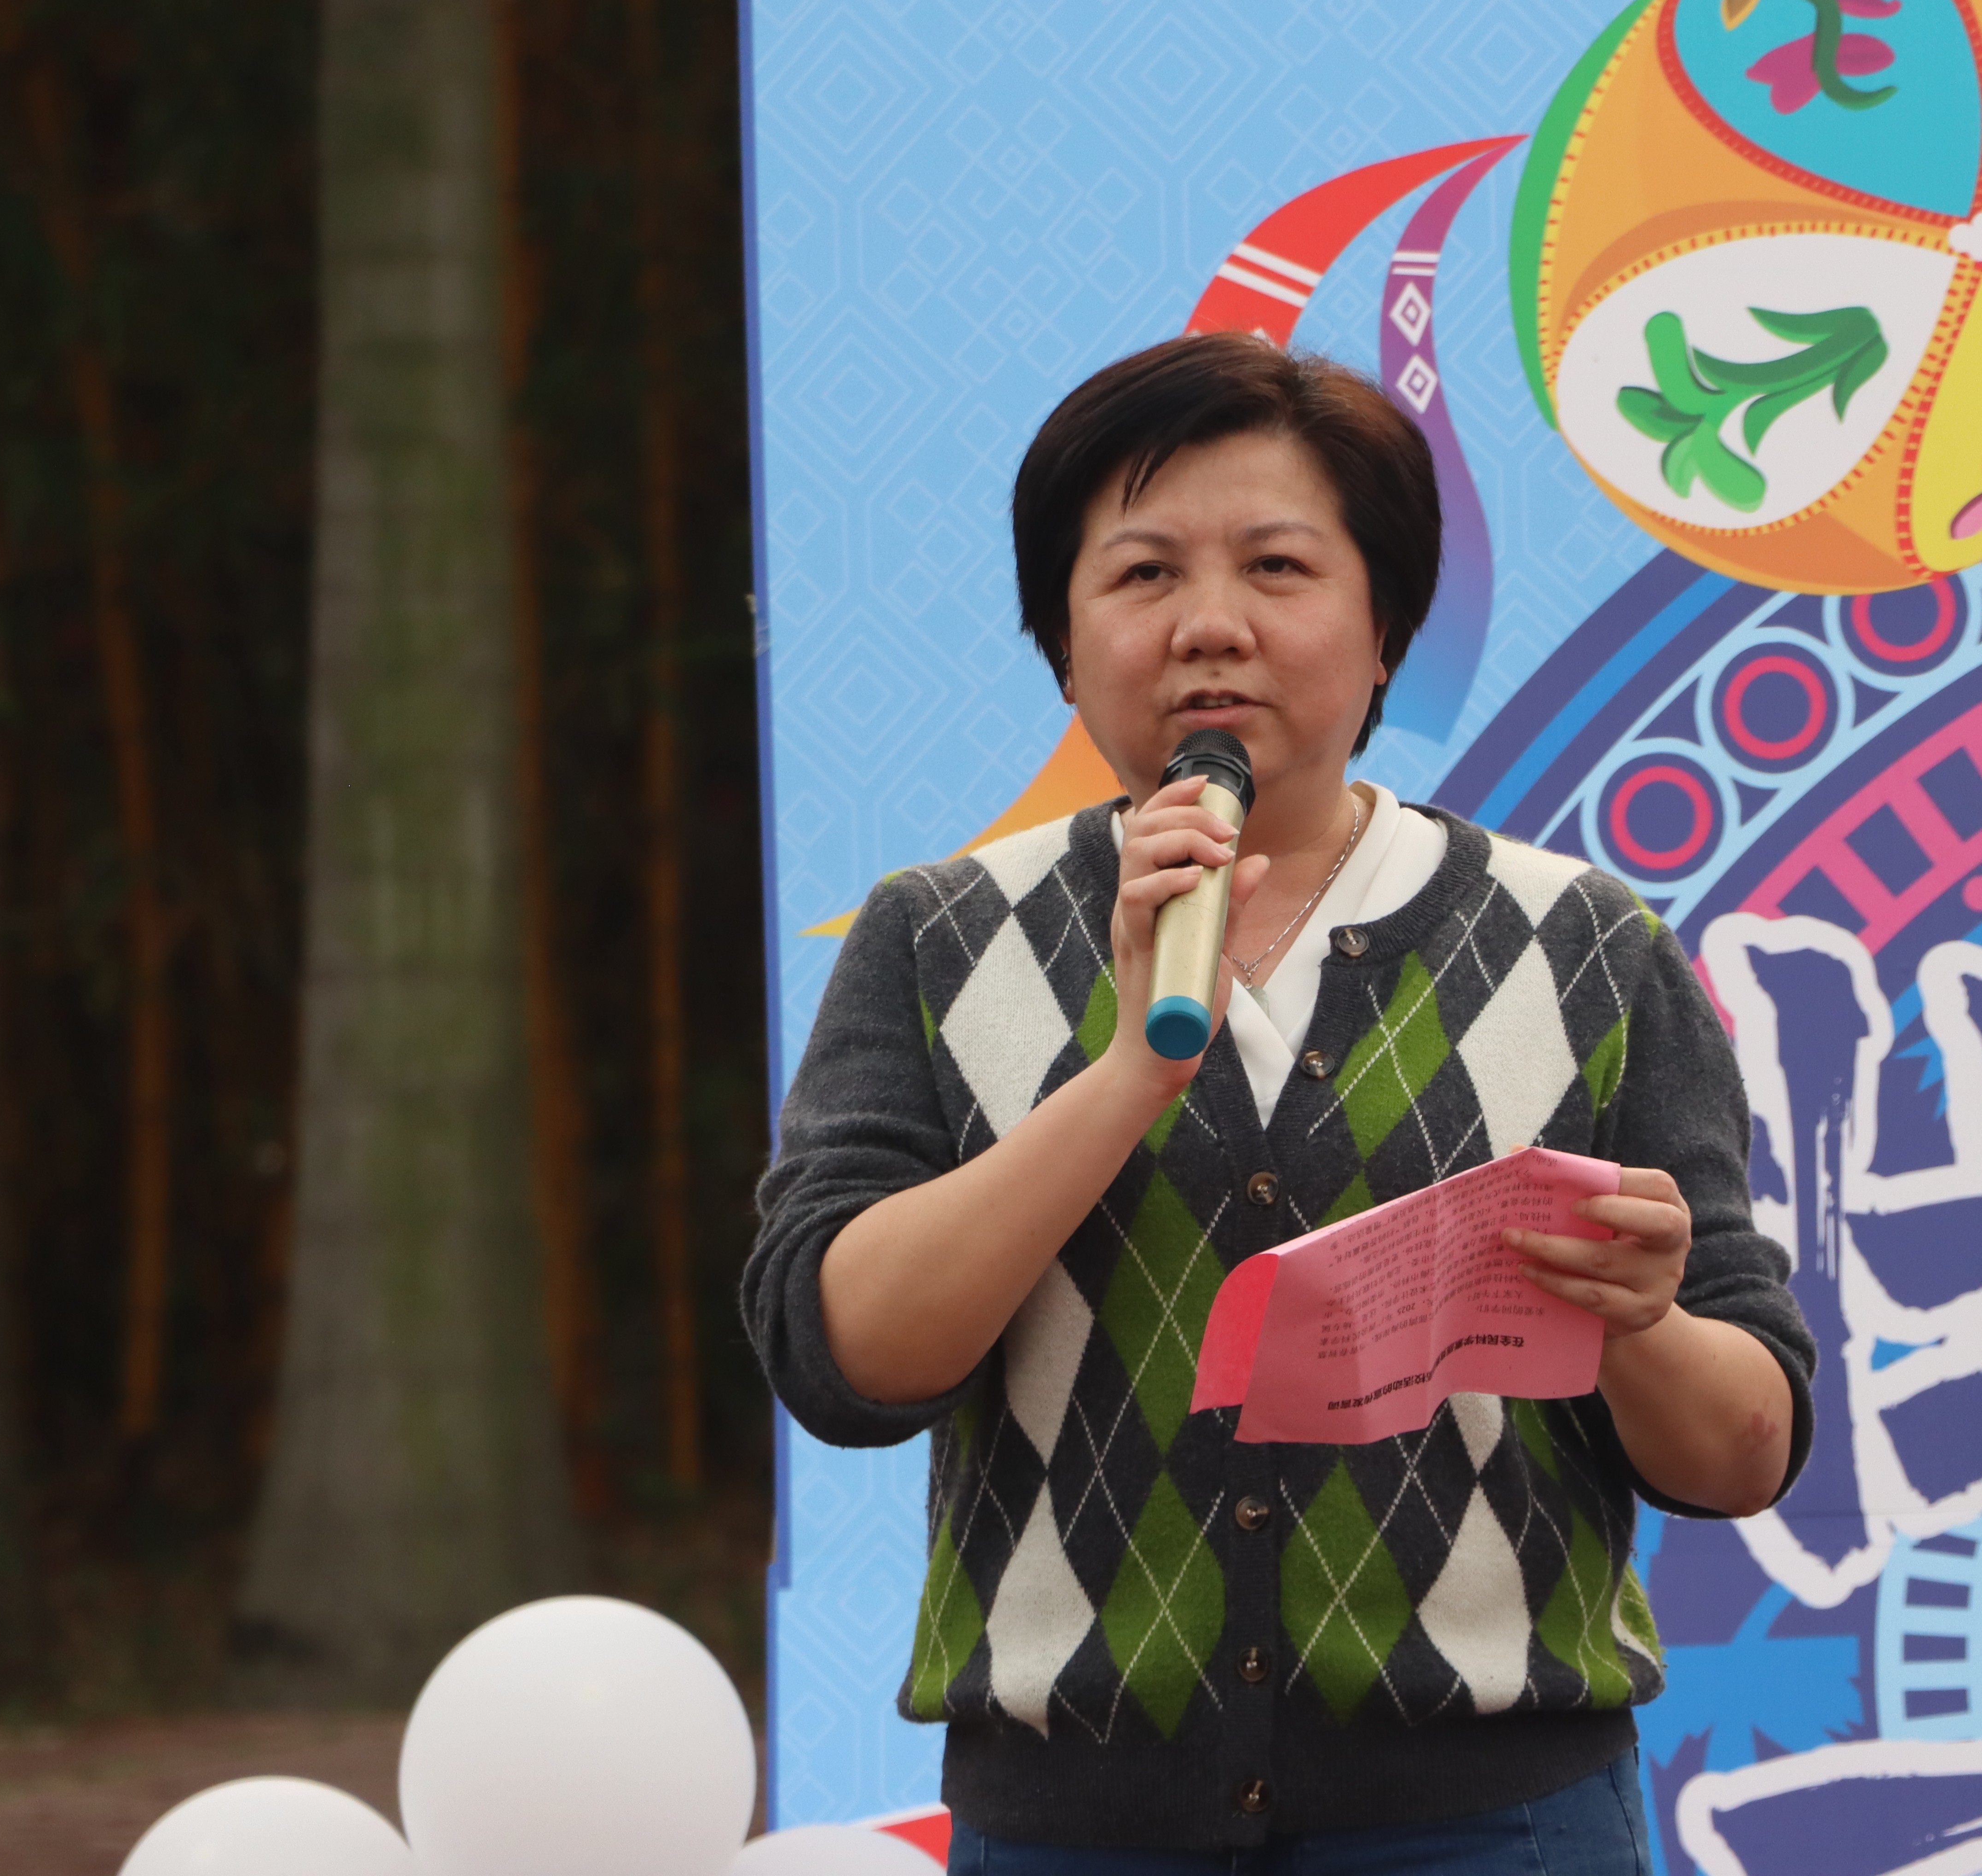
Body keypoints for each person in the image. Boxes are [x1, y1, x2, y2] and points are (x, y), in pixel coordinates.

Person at [744, 333, 1813, 1873]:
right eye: (1143, 575)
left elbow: (1745, 1451)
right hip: (1077, 1834)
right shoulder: (941, 938)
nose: (1210, 625)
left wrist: (1641, 1320)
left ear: (1384, 632)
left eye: (1278, 567)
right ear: (1064, 642)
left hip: (1492, 1824)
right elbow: (845, 1362)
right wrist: (1130, 1073)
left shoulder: (1583, 944)